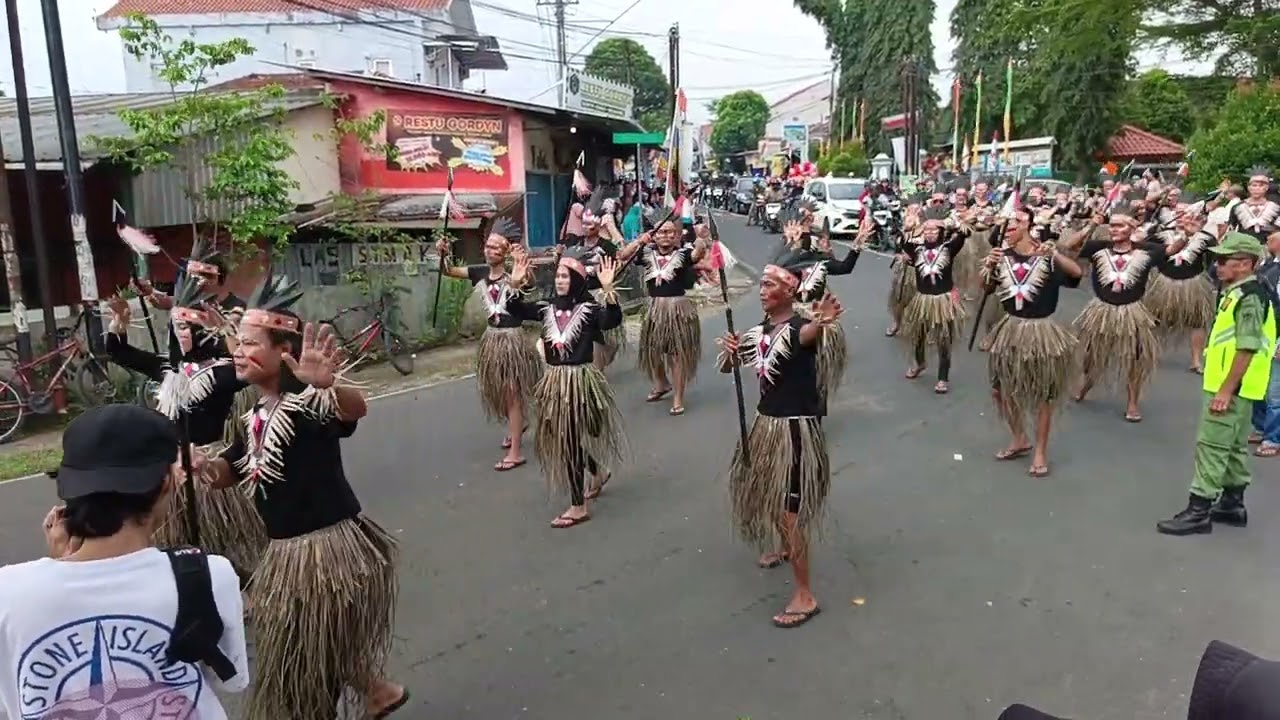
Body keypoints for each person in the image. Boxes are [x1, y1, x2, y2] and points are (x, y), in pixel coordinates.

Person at [195, 269, 407, 719]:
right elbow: (231, 469)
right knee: (312, 646)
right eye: (238, 342)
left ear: (284, 352)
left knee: (304, 662)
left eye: (250, 343)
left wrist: (327, 385)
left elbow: (353, 411)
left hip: (324, 554)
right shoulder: (256, 414)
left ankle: (345, 699)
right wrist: (202, 468)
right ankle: (376, 690)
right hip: (286, 554)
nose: (238, 351)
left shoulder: (309, 403)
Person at [0, 404, 249, 720]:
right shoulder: (209, 574)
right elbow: (232, 680)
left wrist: (58, 564)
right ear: (166, 483)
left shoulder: (8, 590)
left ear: (68, 490)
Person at [104, 267, 266, 579]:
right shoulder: (167, 369)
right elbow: (118, 351)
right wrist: (120, 320)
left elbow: (249, 368)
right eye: (178, 326)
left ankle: (233, 581)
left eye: (189, 326)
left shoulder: (223, 371)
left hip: (207, 465)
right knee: (180, 543)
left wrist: (227, 333)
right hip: (173, 468)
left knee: (220, 542)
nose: (183, 333)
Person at [717, 263, 843, 628]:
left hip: (793, 432)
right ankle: (787, 549)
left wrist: (823, 321)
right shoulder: (759, 332)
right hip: (765, 426)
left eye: (770, 284)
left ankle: (805, 596)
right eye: (761, 284)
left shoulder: (800, 328)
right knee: (772, 496)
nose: (762, 290)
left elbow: (811, 335)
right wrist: (730, 352)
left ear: (789, 292)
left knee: (790, 513)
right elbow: (729, 368)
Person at [1158, 233, 1277, 536]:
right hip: (1243, 387)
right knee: (1234, 447)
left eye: (1224, 260)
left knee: (1211, 446)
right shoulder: (1242, 291)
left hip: (1232, 387)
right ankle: (1232, 504)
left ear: (1246, 264)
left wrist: (1225, 390)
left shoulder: (1248, 297)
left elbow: (1247, 346)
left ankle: (1199, 510)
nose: (1217, 265)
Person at [507, 253, 626, 527]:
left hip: (578, 382)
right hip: (555, 383)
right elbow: (516, 310)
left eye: (566, 276)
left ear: (577, 281)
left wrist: (609, 289)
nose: (560, 281)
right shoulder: (546, 308)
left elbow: (612, 320)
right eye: (558, 276)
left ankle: (578, 505)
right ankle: (597, 471)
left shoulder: (589, 310)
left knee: (569, 440)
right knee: (564, 437)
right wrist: (514, 284)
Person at [982, 206, 1084, 478]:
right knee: (1000, 391)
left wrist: (1054, 254)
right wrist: (989, 266)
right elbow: (986, 289)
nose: (1008, 226)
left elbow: (1076, 274)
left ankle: (1040, 451)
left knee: (1043, 396)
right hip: (1010, 330)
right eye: (1005, 222)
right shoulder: (1001, 256)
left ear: (1028, 224)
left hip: (1041, 332)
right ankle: (1019, 438)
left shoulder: (1047, 257)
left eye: (1015, 221)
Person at [1060, 208, 1186, 422]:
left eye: (1120, 225)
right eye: (1112, 225)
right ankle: (1085, 386)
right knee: (1092, 355)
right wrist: (1092, 225)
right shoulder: (1098, 247)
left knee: (1136, 358)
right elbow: (1069, 246)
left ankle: (1132, 402)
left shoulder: (1147, 250)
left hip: (1132, 312)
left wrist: (1185, 234)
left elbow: (1172, 249)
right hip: (1102, 311)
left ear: (1132, 228)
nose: (1114, 229)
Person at [436, 222, 542, 471]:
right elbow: (448, 270)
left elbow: (529, 282)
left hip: (512, 341)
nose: (490, 250)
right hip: (492, 340)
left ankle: (515, 453)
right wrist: (442, 254)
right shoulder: (479, 272)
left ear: (506, 251)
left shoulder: (515, 273)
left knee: (512, 394)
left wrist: (522, 269)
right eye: (488, 245)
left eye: (496, 247)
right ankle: (518, 423)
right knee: (502, 393)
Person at [615, 213, 708, 416]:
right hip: (654, 308)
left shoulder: (683, 254)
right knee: (651, 350)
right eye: (661, 232)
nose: (665, 235)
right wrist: (640, 240)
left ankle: (678, 397)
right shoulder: (646, 252)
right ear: (654, 235)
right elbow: (622, 256)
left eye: (670, 232)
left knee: (677, 353)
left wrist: (700, 238)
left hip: (677, 309)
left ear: (676, 235)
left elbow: (698, 254)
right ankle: (661, 383)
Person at [899, 207, 973, 394]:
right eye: (927, 230)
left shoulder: (948, 249)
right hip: (922, 300)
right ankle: (920, 363)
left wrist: (952, 222)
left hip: (943, 301)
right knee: (918, 336)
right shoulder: (916, 249)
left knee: (943, 340)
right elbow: (903, 242)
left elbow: (964, 233)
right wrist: (908, 227)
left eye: (934, 230)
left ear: (941, 232)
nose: (930, 233)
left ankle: (942, 378)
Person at [1145, 205, 1218, 373]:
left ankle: (1196, 361)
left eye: (1188, 214)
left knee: (1198, 321)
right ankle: (1149, 353)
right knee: (1154, 319)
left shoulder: (1207, 239)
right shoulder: (1160, 235)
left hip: (1193, 284)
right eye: (1179, 213)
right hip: (1164, 283)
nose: (1183, 216)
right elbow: (1146, 253)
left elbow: (1213, 261)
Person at [1250, 222, 1280, 457]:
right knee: (1258, 385)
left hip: (1276, 337)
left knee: (1275, 392)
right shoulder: (1267, 264)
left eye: (1273, 235)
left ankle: (1273, 438)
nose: (1268, 238)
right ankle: (1261, 428)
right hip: (1262, 334)